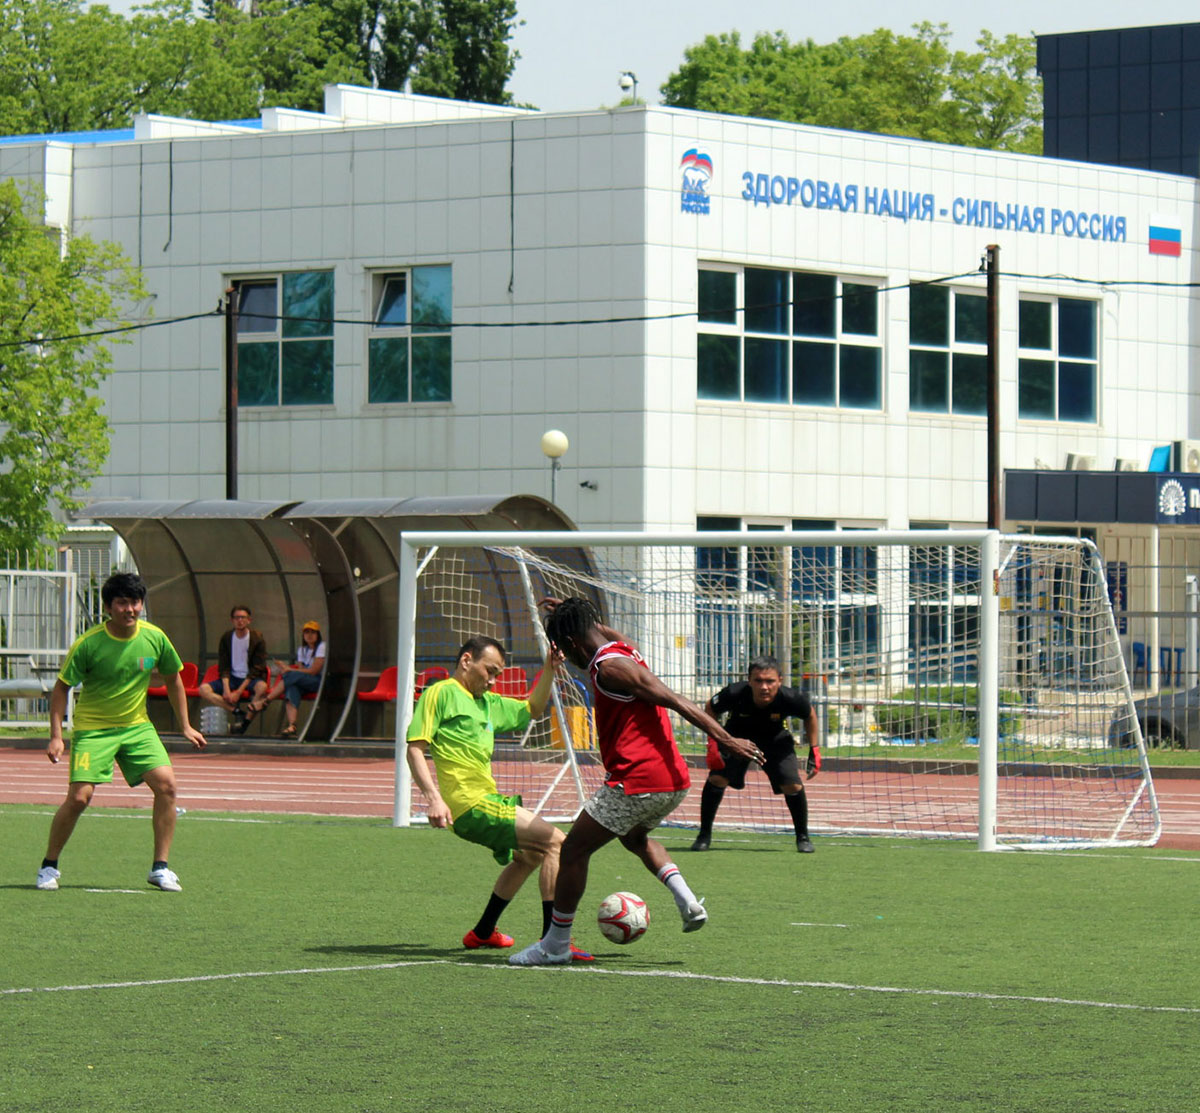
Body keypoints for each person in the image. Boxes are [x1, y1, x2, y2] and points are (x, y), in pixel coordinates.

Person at [509, 596, 762, 967]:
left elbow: (676, 699)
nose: (566, 657)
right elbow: (597, 632)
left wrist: (727, 739)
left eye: (564, 648)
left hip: (639, 779)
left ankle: (555, 945)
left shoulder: (611, 669)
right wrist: (571, 611)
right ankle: (687, 901)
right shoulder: (621, 648)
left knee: (573, 850)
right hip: (671, 780)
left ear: (574, 643)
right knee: (634, 837)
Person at [406, 635, 592, 961]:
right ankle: (554, 943)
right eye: (489, 671)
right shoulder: (440, 693)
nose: (492, 681)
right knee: (557, 844)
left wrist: (549, 668)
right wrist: (433, 798)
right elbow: (415, 749)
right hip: (470, 805)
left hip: (485, 802)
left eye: (497, 675)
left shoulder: (487, 703)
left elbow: (533, 708)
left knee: (530, 856)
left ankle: (482, 933)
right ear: (466, 661)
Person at [36, 571, 207, 892]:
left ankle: (160, 868)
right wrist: (57, 736)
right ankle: (49, 866)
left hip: (137, 727)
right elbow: (61, 689)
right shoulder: (89, 644)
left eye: (136, 602)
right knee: (79, 797)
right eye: (123, 603)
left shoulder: (155, 637)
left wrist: (185, 725)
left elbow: (174, 679)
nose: (130, 609)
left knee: (168, 787)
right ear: (109, 607)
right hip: (94, 730)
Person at [690, 654, 822, 854]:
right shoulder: (734, 692)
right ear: (749, 680)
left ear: (780, 680)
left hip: (775, 741)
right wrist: (714, 742)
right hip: (736, 739)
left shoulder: (791, 698)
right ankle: (704, 835)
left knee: (792, 784)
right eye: (758, 681)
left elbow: (810, 715)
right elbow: (710, 708)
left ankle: (802, 837)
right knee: (717, 778)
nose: (764, 687)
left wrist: (815, 750)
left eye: (770, 681)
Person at [197, 604, 269, 735]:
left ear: (249, 620)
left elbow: (257, 668)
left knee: (262, 687)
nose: (240, 620)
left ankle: (244, 723)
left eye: (243, 617)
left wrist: (239, 692)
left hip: (250, 679)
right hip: (232, 678)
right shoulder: (227, 638)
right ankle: (234, 710)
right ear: (232, 620)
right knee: (203, 689)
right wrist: (226, 689)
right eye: (236, 618)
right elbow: (223, 665)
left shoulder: (257, 638)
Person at [258, 620, 325, 737]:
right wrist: (287, 669)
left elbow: (314, 671)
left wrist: (290, 669)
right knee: (292, 686)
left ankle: (267, 700)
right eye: (306, 632)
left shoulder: (322, 646)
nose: (309, 635)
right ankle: (292, 725)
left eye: (313, 632)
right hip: (307, 681)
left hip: (320, 681)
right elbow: (301, 670)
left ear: (318, 635)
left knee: (291, 675)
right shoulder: (302, 650)